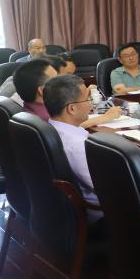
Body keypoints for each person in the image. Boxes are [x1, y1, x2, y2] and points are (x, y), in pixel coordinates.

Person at [43, 74, 102, 220]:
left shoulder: (50, 128)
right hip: (102, 211)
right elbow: (103, 187)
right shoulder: (77, 145)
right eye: (87, 99)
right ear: (71, 108)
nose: (91, 104)